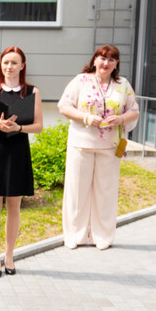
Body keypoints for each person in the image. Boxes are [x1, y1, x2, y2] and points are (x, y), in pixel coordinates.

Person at [58, 44, 139, 250]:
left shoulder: (123, 84)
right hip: (81, 144)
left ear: (116, 64)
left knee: (106, 193)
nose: (106, 63)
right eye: (102, 58)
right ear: (94, 60)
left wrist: (121, 119)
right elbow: (63, 106)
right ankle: (74, 235)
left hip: (110, 147)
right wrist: (85, 117)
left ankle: (102, 236)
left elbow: (134, 111)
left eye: (111, 59)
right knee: (77, 192)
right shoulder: (81, 81)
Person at [0, 46, 43, 277]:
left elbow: (39, 126)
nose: (9, 67)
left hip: (18, 152)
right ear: (1, 65)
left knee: (14, 207)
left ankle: (10, 255)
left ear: (22, 66)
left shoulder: (32, 92)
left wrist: (18, 128)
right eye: (6, 62)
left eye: (14, 62)